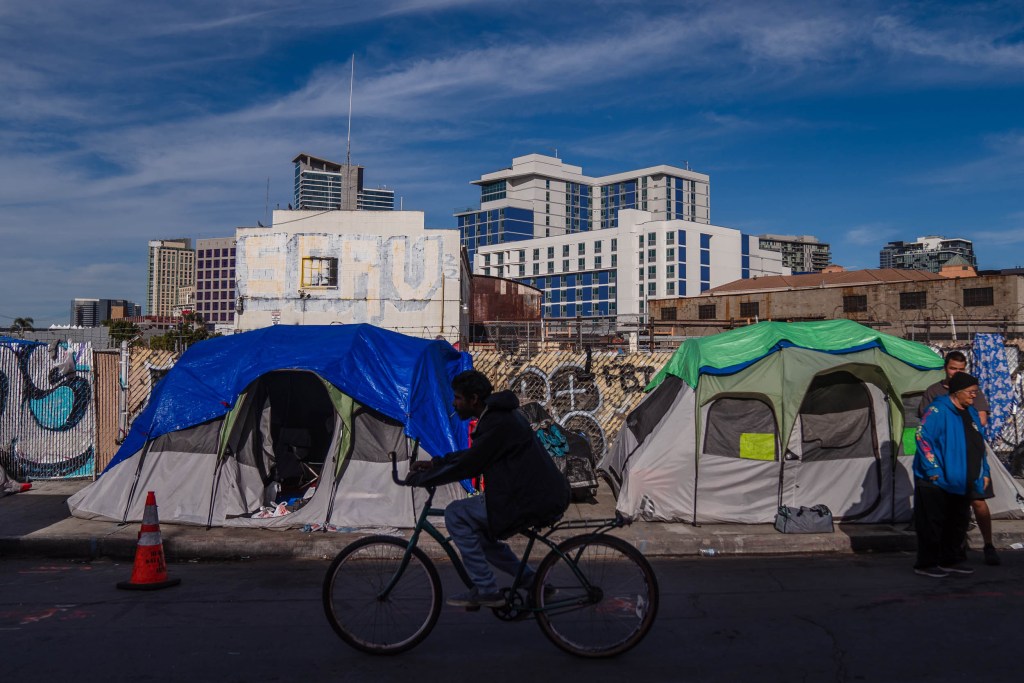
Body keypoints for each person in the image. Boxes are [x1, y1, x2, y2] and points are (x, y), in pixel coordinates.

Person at [411, 370, 570, 608]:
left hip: (528, 498)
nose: (454, 403)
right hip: (530, 494)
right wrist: (437, 463)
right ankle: (534, 582)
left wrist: (429, 478)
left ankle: (486, 589)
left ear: (473, 399)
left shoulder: (497, 421)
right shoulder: (498, 417)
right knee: (482, 538)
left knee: (456, 513)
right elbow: (477, 454)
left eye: (457, 398)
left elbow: (471, 464)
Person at [918, 351, 1000, 566]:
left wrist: (985, 471)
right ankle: (928, 564)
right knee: (936, 522)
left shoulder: (970, 411)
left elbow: (978, 443)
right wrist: (933, 469)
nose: (975, 396)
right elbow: (923, 436)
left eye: (975, 392)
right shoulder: (938, 406)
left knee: (958, 521)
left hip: (965, 476)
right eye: (971, 392)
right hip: (943, 475)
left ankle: (953, 559)